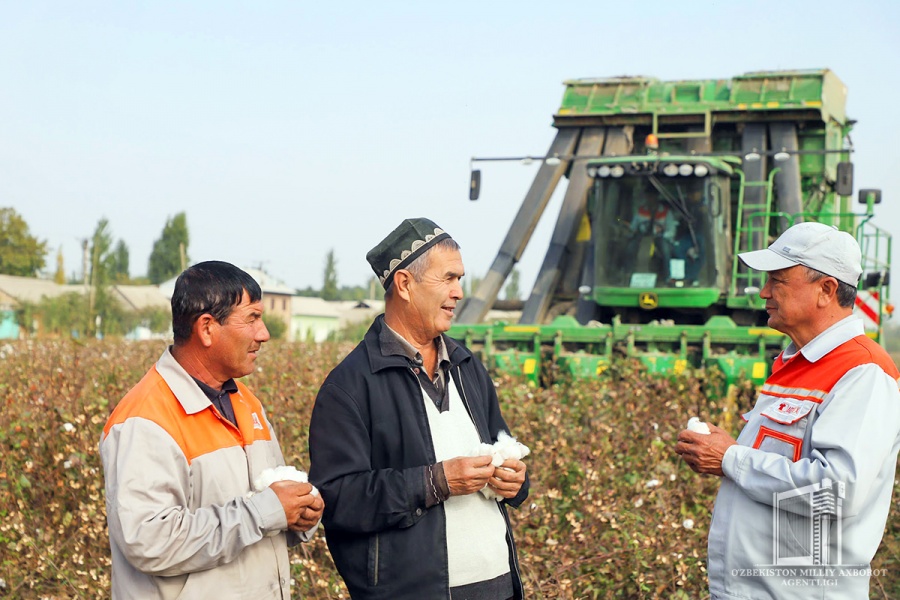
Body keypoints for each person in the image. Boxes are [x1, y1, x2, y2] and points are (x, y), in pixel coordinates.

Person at [675, 222, 900, 598]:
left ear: (826, 290)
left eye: (777, 281)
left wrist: (731, 458)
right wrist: (730, 453)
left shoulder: (862, 372)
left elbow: (837, 490)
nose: (764, 292)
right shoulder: (796, 362)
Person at [308, 218, 530, 599]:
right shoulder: (349, 386)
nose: (459, 292)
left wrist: (516, 481)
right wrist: (435, 482)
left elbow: (503, 446)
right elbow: (339, 499)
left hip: (497, 586)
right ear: (405, 284)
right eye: (448, 278)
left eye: (460, 279)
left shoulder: (467, 367)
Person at [100, 261, 324, 599]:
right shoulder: (144, 420)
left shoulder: (247, 404)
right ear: (207, 328)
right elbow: (149, 540)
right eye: (252, 318)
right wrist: (266, 511)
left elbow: (264, 514)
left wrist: (298, 514)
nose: (264, 334)